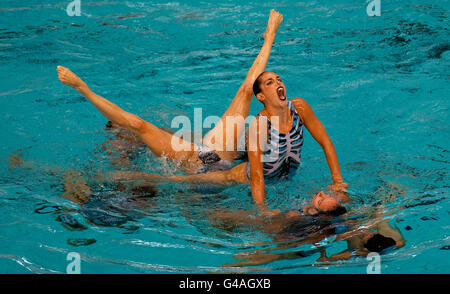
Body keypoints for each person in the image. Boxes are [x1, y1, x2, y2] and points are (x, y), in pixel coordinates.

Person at [57, 10, 347, 214]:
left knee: (240, 95)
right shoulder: (259, 126)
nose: (278, 83)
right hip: (206, 163)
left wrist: (338, 183)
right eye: (270, 82)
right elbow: (257, 178)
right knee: (143, 135)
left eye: (279, 79)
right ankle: (84, 89)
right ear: (265, 96)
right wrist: (262, 211)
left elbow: (325, 143)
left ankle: (268, 36)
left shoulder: (297, 108)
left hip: (226, 152)